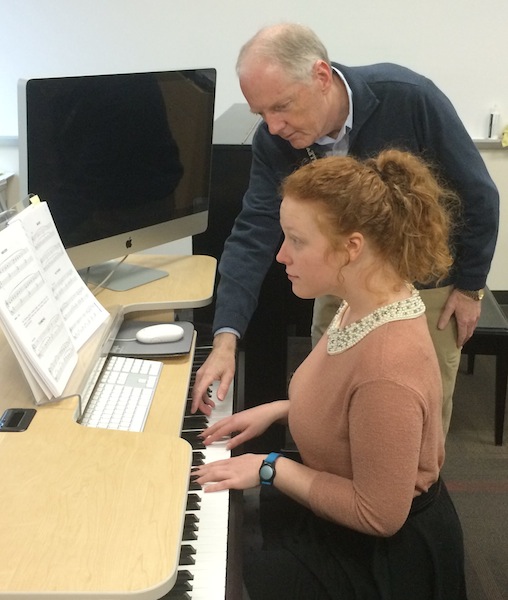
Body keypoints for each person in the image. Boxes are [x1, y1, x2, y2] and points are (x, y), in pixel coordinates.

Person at [191, 23, 499, 437]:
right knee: (329, 408)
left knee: (410, 418)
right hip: (340, 285)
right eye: (261, 113)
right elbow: (254, 229)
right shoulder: (275, 139)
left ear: (321, 76)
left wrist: (470, 287)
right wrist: (226, 336)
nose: (273, 125)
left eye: (281, 106)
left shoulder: (408, 95)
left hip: (425, 286)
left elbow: (479, 195)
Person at [192, 150, 467, 599]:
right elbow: (347, 400)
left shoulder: (387, 369)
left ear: (351, 248)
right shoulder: (363, 302)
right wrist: (281, 409)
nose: (281, 255)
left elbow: (378, 514)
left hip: (380, 558)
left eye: (296, 241)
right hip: (342, 521)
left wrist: (269, 467)